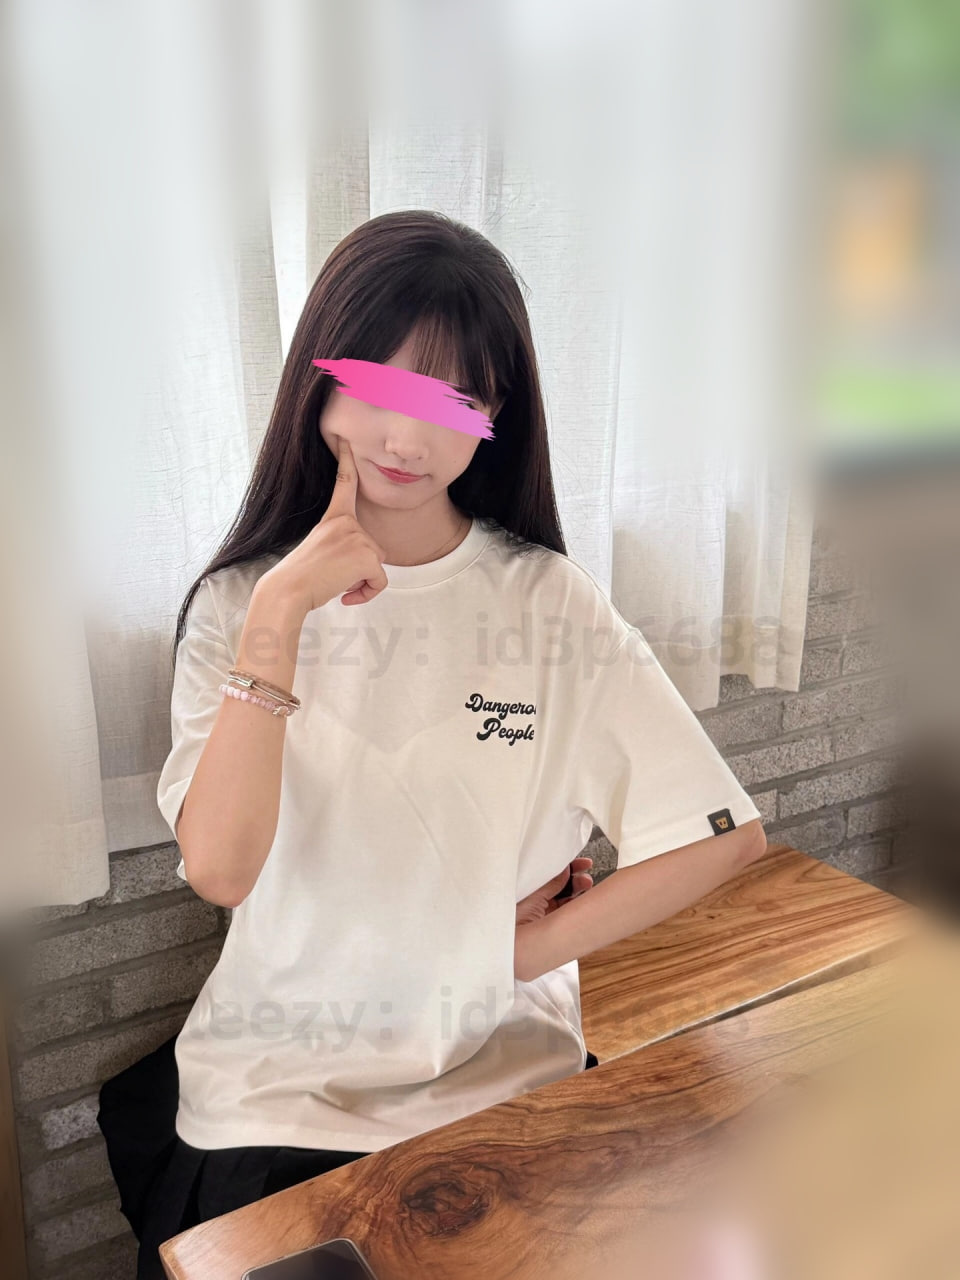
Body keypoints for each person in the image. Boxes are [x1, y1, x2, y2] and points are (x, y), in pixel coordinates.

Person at [98, 209, 767, 1279]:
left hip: (501, 1081)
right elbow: (221, 868)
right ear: (319, 383)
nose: (407, 438)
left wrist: (514, 956)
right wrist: (281, 616)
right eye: (378, 386)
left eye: (455, 400)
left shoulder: (548, 602)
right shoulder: (240, 605)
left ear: (495, 416)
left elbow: (721, 836)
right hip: (279, 1092)